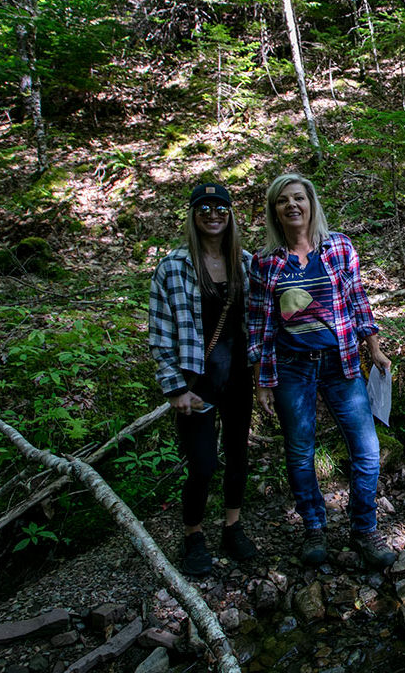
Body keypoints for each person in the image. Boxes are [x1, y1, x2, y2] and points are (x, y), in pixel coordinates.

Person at [248, 172, 396, 570]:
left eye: (298, 198)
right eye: (283, 201)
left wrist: (375, 350)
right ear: (275, 211)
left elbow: (357, 300)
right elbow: (260, 324)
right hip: (291, 368)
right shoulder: (265, 262)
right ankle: (314, 527)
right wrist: (263, 380)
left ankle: (364, 529)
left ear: (311, 204)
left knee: (367, 451)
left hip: (341, 363)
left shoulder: (339, 247)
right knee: (299, 453)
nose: (292, 205)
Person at [149, 182, 259, 576]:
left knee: (238, 456)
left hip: (238, 378)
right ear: (193, 216)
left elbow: (258, 325)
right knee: (202, 464)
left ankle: (233, 525)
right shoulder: (173, 267)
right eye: (204, 208)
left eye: (220, 208)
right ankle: (193, 534)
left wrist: (263, 374)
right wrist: (174, 386)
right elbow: (160, 333)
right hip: (196, 383)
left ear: (230, 216)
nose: (213, 215)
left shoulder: (246, 263)